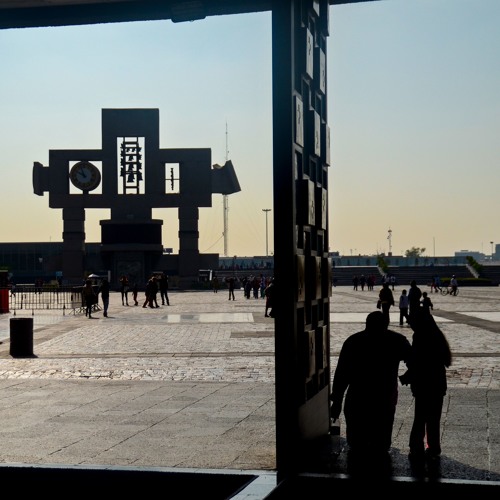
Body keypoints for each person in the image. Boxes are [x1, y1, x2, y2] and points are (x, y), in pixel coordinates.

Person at [330, 311, 412, 460]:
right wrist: (409, 375)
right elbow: (414, 360)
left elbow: (342, 373)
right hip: (384, 396)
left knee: (357, 443)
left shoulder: (353, 341)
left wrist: (337, 400)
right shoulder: (397, 340)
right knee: (381, 441)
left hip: (358, 396)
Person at [399, 308, 452, 461]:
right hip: (438, 382)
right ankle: (433, 447)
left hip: (425, 383)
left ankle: (416, 446)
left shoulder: (420, 336)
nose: (410, 322)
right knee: (434, 418)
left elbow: (419, 361)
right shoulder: (436, 335)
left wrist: (407, 376)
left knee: (420, 417)